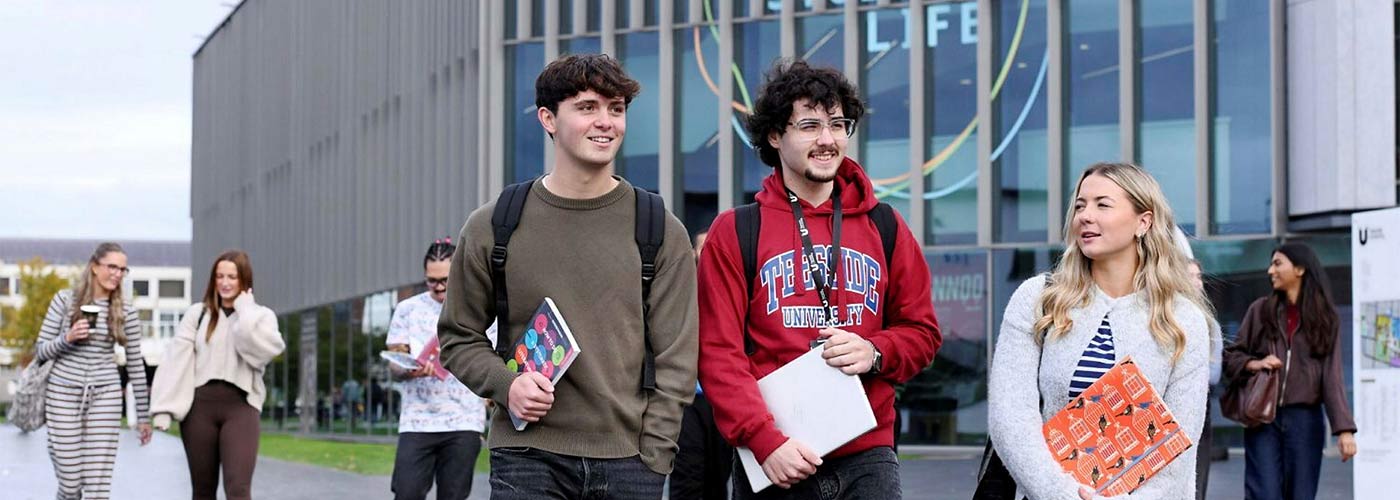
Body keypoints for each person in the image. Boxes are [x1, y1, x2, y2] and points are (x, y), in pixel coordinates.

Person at [437, 53, 698, 500]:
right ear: (548, 119)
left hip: (630, 463)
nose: (606, 122)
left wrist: (654, 456)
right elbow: (458, 336)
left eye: (616, 109)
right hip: (527, 458)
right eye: (587, 107)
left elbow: (677, 354)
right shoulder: (495, 224)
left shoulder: (658, 227)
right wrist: (507, 385)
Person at [696, 59, 940, 499]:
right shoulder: (735, 232)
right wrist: (765, 442)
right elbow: (718, 354)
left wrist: (876, 350)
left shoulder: (886, 226)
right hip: (775, 456)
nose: (827, 140)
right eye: (809, 125)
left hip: (869, 455)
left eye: (837, 124)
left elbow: (922, 332)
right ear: (775, 136)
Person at [988, 163, 1212, 499]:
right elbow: (1011, 418)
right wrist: (1062, 493)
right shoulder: (1039, 299)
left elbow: (1181, 445)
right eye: (1080, 205)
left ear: (1143, 221)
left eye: (1102, 205)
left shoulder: (1182, 319)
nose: (1085, 216)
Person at [1223, 242, 1357, 500]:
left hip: (1305, 421)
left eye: (1277, 263)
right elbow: (1231, 357)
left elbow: (1332, 376)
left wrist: (1344, 430)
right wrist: (1256, 364)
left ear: (1300, 269)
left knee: (1301, 494)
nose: (1270, 270)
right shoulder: (1261, 310)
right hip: (1263, 417)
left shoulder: (1325, 318)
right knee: (1264, 494)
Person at [150, 250, 287, 500]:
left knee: (238, 489)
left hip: (241, 407)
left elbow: (262, 353)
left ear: (244, 280)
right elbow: (176, 360)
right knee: (202, 490)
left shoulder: (261, 316)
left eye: (232, 277)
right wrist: (163, 408)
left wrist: (244, 313)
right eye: (219, 276)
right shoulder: (198, 314)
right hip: (199, 409)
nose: (225, 282)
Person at [32, 242, 152, 499]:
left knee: (98, 485)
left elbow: (135, 365)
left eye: (123, 269)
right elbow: (40, 351)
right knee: (70, 480)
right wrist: (68, 337)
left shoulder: (126, 311)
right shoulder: (65, 301)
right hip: (62, 392)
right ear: (95, 267)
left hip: (105, 394)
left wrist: (143, 416)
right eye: (112, 267)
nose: (117, 274)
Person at [385, 238, 493, 500]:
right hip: (417, 421)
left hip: (464, 421)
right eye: (431, 280)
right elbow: (395, 362)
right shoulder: (407, 310)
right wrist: (409, 369)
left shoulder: (480, 308)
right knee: (406, 493)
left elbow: (492, 360)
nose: (439, 287)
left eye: (445, 279)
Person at [672, 230, 734, 500]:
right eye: (702, 247)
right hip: (689, 399)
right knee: (688, 480)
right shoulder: (683, 289)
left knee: (719, 481)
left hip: (724, 399)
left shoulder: (732, 287)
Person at [1183, 257, 1225, 500]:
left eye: (1199, 276)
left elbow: (1214, 374)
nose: (1197, 282)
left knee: (1197, 482)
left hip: (1198, 405)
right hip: (1160, 409)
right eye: (1190, 276)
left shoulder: (1208, 322)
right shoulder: (1160, 316)